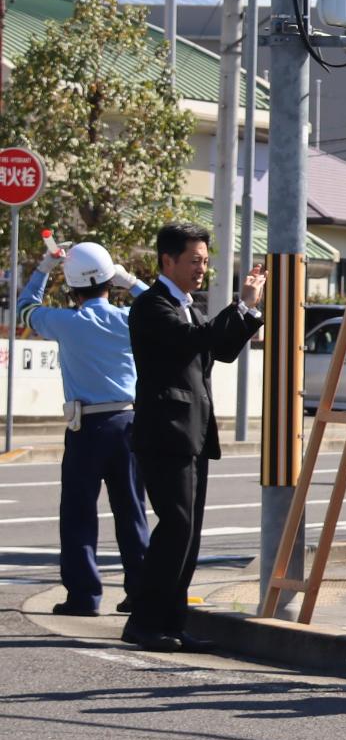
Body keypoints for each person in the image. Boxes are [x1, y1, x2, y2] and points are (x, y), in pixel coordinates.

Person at [124, 222, 265, 653]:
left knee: (188, 533)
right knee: (177, 526)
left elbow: (218, 350)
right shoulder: (153, 305)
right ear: (168, 261)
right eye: (194, 261)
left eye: (205, 261)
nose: (201, 268)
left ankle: (171, 622)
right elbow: (192, 340)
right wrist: (240, 305)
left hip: (193, 433)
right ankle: (143, 622)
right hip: (165, 433)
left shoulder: (188, 304)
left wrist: (248, 313)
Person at [17, 238, 151, 617]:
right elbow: (166, 308)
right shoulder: (130, 318)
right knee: (132, 511)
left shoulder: (66, 322)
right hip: (129, 422)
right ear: (110, 281)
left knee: (78, 512)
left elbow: (26, 309)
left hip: (86, 426)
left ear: (72, 288)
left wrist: (44, 267)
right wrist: (132, 282)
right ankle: (139, 593)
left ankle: (84, 597)